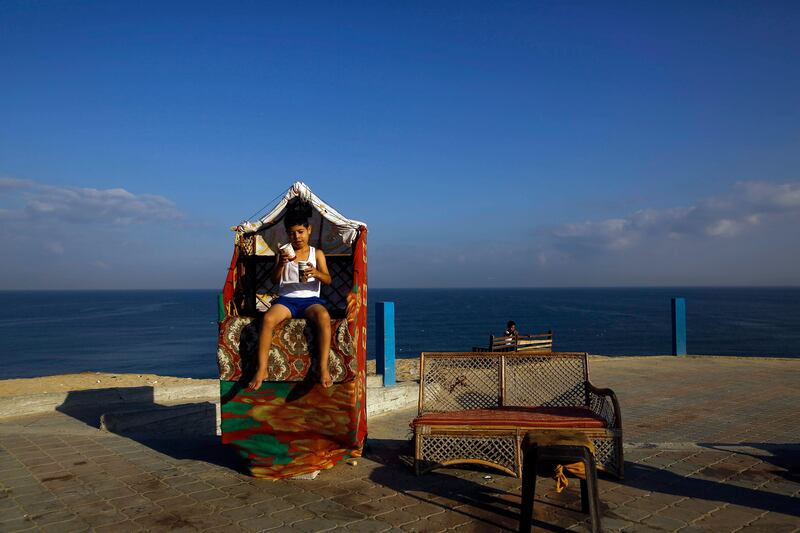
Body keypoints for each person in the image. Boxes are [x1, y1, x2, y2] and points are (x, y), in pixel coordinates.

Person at [248, 201, 333, 390]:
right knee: (268, 318)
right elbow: (274, 280)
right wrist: (281, 263)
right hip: (287, 300)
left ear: (308, 230)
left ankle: (323, 367)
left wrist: (316, 273)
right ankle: (262, 369)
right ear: (288, 234)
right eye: (292, 233)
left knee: (324, 316)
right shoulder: (283, 252)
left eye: (300, 232)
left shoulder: (316, 254)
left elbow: (328, 280)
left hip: (310, 300)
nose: (297, 237)